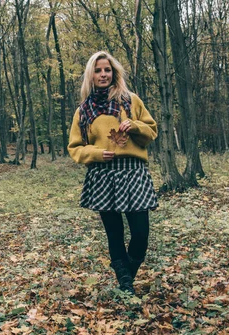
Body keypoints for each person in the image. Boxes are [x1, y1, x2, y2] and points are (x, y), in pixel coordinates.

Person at [68, 51, 158, 294]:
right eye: (98, 70)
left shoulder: (131, 100)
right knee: (114, 234)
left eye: (107, 69)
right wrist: (95, 154)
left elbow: (151, 132)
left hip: (133, 172)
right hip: (103, 175)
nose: (103, 74)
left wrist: (136, 125)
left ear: (114, 72)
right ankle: (126, 285)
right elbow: (75, 148)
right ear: (91, 75)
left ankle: (127, 272)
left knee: (140, 234)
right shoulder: (83, 111)